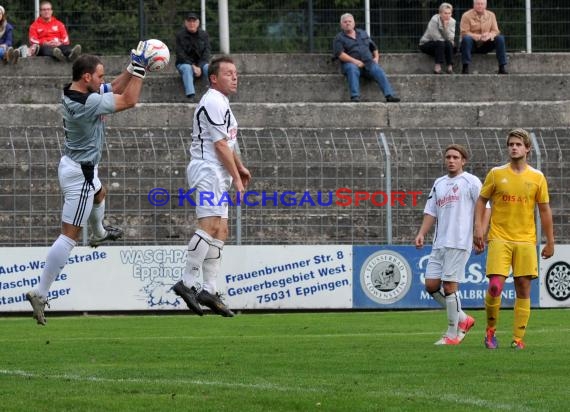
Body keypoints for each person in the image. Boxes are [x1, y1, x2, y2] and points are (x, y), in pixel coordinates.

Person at [25, 43, 153, 325]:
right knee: (69, 236)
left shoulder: (76, 91)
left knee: (100, 193)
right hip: (80, 174)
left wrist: (131, 68)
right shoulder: (87, 103)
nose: (103, 81)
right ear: (86, 78)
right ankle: (40, 291)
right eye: (99, 76)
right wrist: (142, 70)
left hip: (76, 166)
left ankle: (98, 233)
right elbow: (128, 99)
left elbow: (113, 88)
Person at [172, 56, 251, 317]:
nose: (235, 76)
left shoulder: (223, 102)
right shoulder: (213, 101)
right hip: (207, 170)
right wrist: (237, 179)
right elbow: (218, 146)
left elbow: (226, 143)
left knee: (221, 229)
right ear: (214, 78)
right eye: (229, 73)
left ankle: (208, 289)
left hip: (218, 171)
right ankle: (186, 283)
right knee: (208, 226)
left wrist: (239, 167)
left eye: (236, 73)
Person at [474, 128, 555, 350]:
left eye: (518, 144)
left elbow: (545, 210)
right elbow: (481, 201)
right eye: (511, 144)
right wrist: (478, 228)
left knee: (523, 287)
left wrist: (549, 241)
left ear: (527, 149)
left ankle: (518, 339)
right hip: (500, 237)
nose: (514, 147)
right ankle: (490, 333)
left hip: (526, 240)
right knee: (495, 286)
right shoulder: (496, 174)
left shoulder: (537, 177)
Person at [414, 144, 482, 345]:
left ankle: (453, 334)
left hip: (459, 241)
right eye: (448, 157)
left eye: (455, 157)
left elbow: (484, 206)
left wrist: (480, 231)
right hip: (439, 242)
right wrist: (421, 233)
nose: (451, 160)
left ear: (463, 161)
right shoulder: (439, 183)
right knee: (431, 285)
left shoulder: (471, 181)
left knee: (450, 286)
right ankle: (463, 318)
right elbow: (431, 211)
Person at [332, 13, 400, 103]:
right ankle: (355, 97)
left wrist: (376, 58)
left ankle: (389, 95)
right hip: (351, 64)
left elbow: (373, 47)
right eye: (345, 22)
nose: (347, 23)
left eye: (349, 21)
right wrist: (355, 61)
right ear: (341, 25)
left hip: (368, 63)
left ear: (354, 23)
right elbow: (340, 54)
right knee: (352, 68)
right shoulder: (339, 38)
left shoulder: (362, 33)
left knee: (377, 69)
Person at [459, 0, 507, 74]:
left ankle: (502, 67)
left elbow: (496, 31)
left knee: (500, 38)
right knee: (466, 39)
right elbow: (464, 32)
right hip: (471, 45)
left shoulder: (491, 15)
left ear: (485, 5)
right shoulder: (466, 15)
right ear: (474, 5)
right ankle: (465, 67)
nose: (480, 6)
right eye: (478, 4)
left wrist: (489, 35)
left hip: (485, 44)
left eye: (482, 4)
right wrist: (476, 36)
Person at [175, 12, 211, 99]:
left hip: (201, 65)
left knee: (210, 68)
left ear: (198, 23)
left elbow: (206, 53)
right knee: (187, 68)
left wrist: (199, 66)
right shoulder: (180, 36)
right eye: (189, 21)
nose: (192, 24)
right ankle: (190, 96)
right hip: (185, 64)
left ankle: (215, 92)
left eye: (194, 21)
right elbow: (180, 55)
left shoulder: (204, 35)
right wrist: (193, 66)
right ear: (185, 23)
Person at [419, 3, 456, 74]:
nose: (447, 15)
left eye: (449, 13)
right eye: (445, 13)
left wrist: (446, 28)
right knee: (441, 43)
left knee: (449, 44)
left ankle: (449, 67)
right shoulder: (434, 20)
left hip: (442, 45)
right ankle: (437, 68)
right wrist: (443, 27)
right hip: (427, 43)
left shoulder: (452, 21)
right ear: (440, 13)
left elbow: (451, 37)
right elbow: (436, 37)